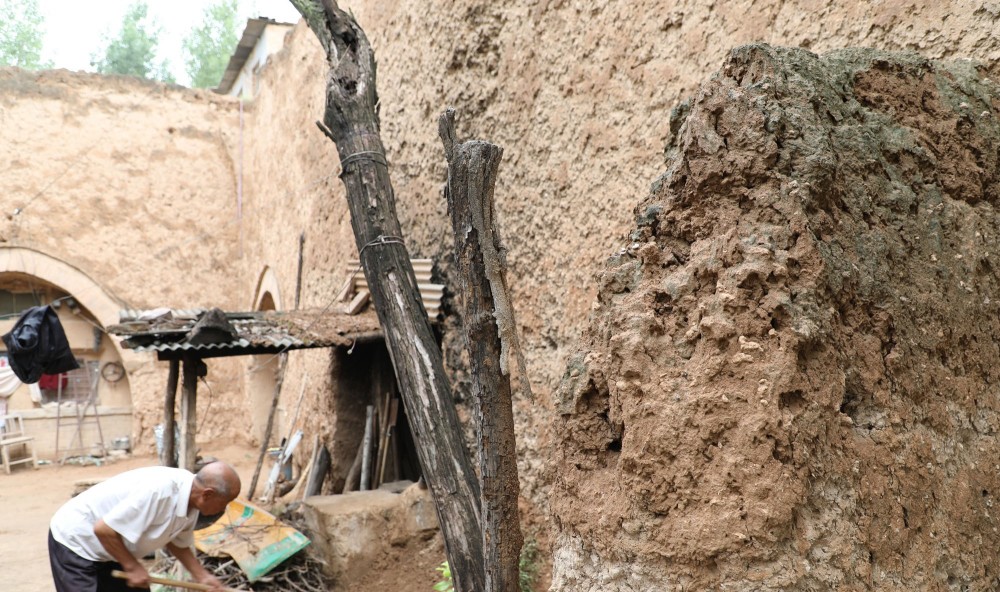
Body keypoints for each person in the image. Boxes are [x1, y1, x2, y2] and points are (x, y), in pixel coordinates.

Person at [48, 461, 241, 592]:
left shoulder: (191, 501)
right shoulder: (160, 492)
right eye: (225, 502)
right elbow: (103, 530)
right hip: (78, 541)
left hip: (114, 547)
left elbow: (176, 540)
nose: (224, 508)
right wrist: (132, 566)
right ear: (207, 494)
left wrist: (202, 576)